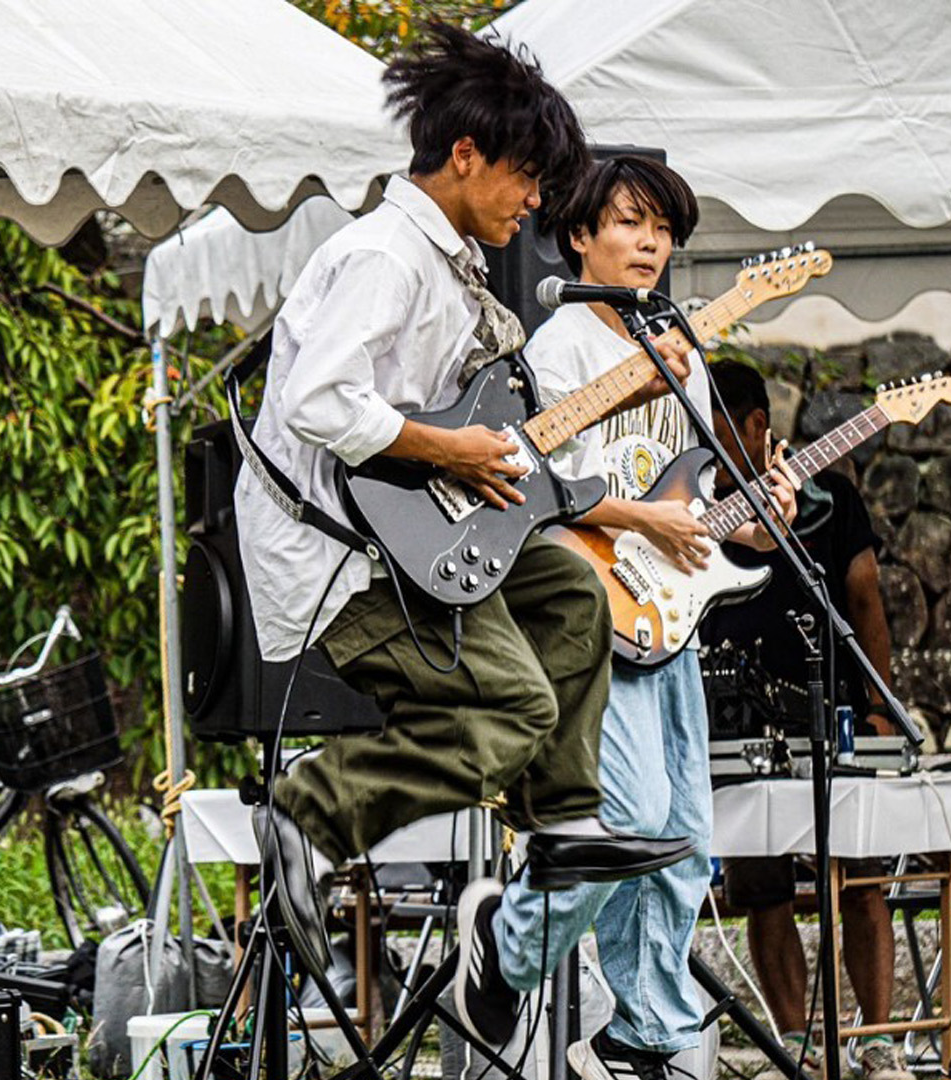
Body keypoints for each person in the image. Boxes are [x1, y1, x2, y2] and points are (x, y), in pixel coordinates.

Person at [235, 24, 692, 1049]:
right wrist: (450, 453)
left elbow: (476, 424)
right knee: (516, 701)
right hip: (341, 558)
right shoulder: (383, 258)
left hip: (414, 532)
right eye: (527, 179)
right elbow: (320, 402)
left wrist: (530, 472)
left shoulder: (452, 272)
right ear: (466, 157)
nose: (536, 204)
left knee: (572, 594)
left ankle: (563, 823)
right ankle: (312, 814)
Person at [523, 157, 799, 1080]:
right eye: (630, 223)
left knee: (685, 840)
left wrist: (756, 520)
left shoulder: (677, 340)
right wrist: (641, 520)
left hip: (666, 618)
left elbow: (691, 496)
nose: (649, 243)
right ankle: (532, 973)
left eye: (663, 229)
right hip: (588, 612)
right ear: (578, 237)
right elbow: (536, 480)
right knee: (630, 819)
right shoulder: (557, 348)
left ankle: (646, 1036)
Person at [701, 360, 912, 1080]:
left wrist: (880, 703)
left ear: (759, 425)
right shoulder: (693, 508)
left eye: (720, 432)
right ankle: (795, 1044)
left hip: (835, 713)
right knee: (760, 888)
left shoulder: (829, 500)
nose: (708, 448)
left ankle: (877, 1039)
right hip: (738, 725)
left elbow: (865, 599)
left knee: (862, 874)